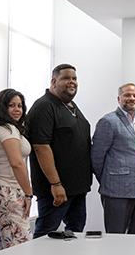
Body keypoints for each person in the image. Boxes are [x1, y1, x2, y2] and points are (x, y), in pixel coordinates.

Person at [28, 63, 92, 238]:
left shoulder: (71, 106)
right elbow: (41, 147)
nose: (71, 82)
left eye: (74, 78)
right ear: (54, 81)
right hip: (56, 190)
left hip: (77, 188)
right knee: (46, 234)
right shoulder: (44, 106)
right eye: (66, 78)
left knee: (74, 234)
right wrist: (55, 184)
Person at [91, 83, 135, 234]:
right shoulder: (108, 121)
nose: (132, 98)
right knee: (115, 238)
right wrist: (108, 180)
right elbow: (96, 157)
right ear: (119, 98)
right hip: (116, 192)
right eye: (127, 95)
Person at [0, 89, 33, 250]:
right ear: (2, 107)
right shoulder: (7, 129)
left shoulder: (2, 127)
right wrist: (28, 193)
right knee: (20, 244)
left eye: (19, 105)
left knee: (6, 239)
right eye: (11, 105)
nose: (17, 109)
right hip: (8, 191)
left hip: (5, 188)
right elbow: (17, 164)